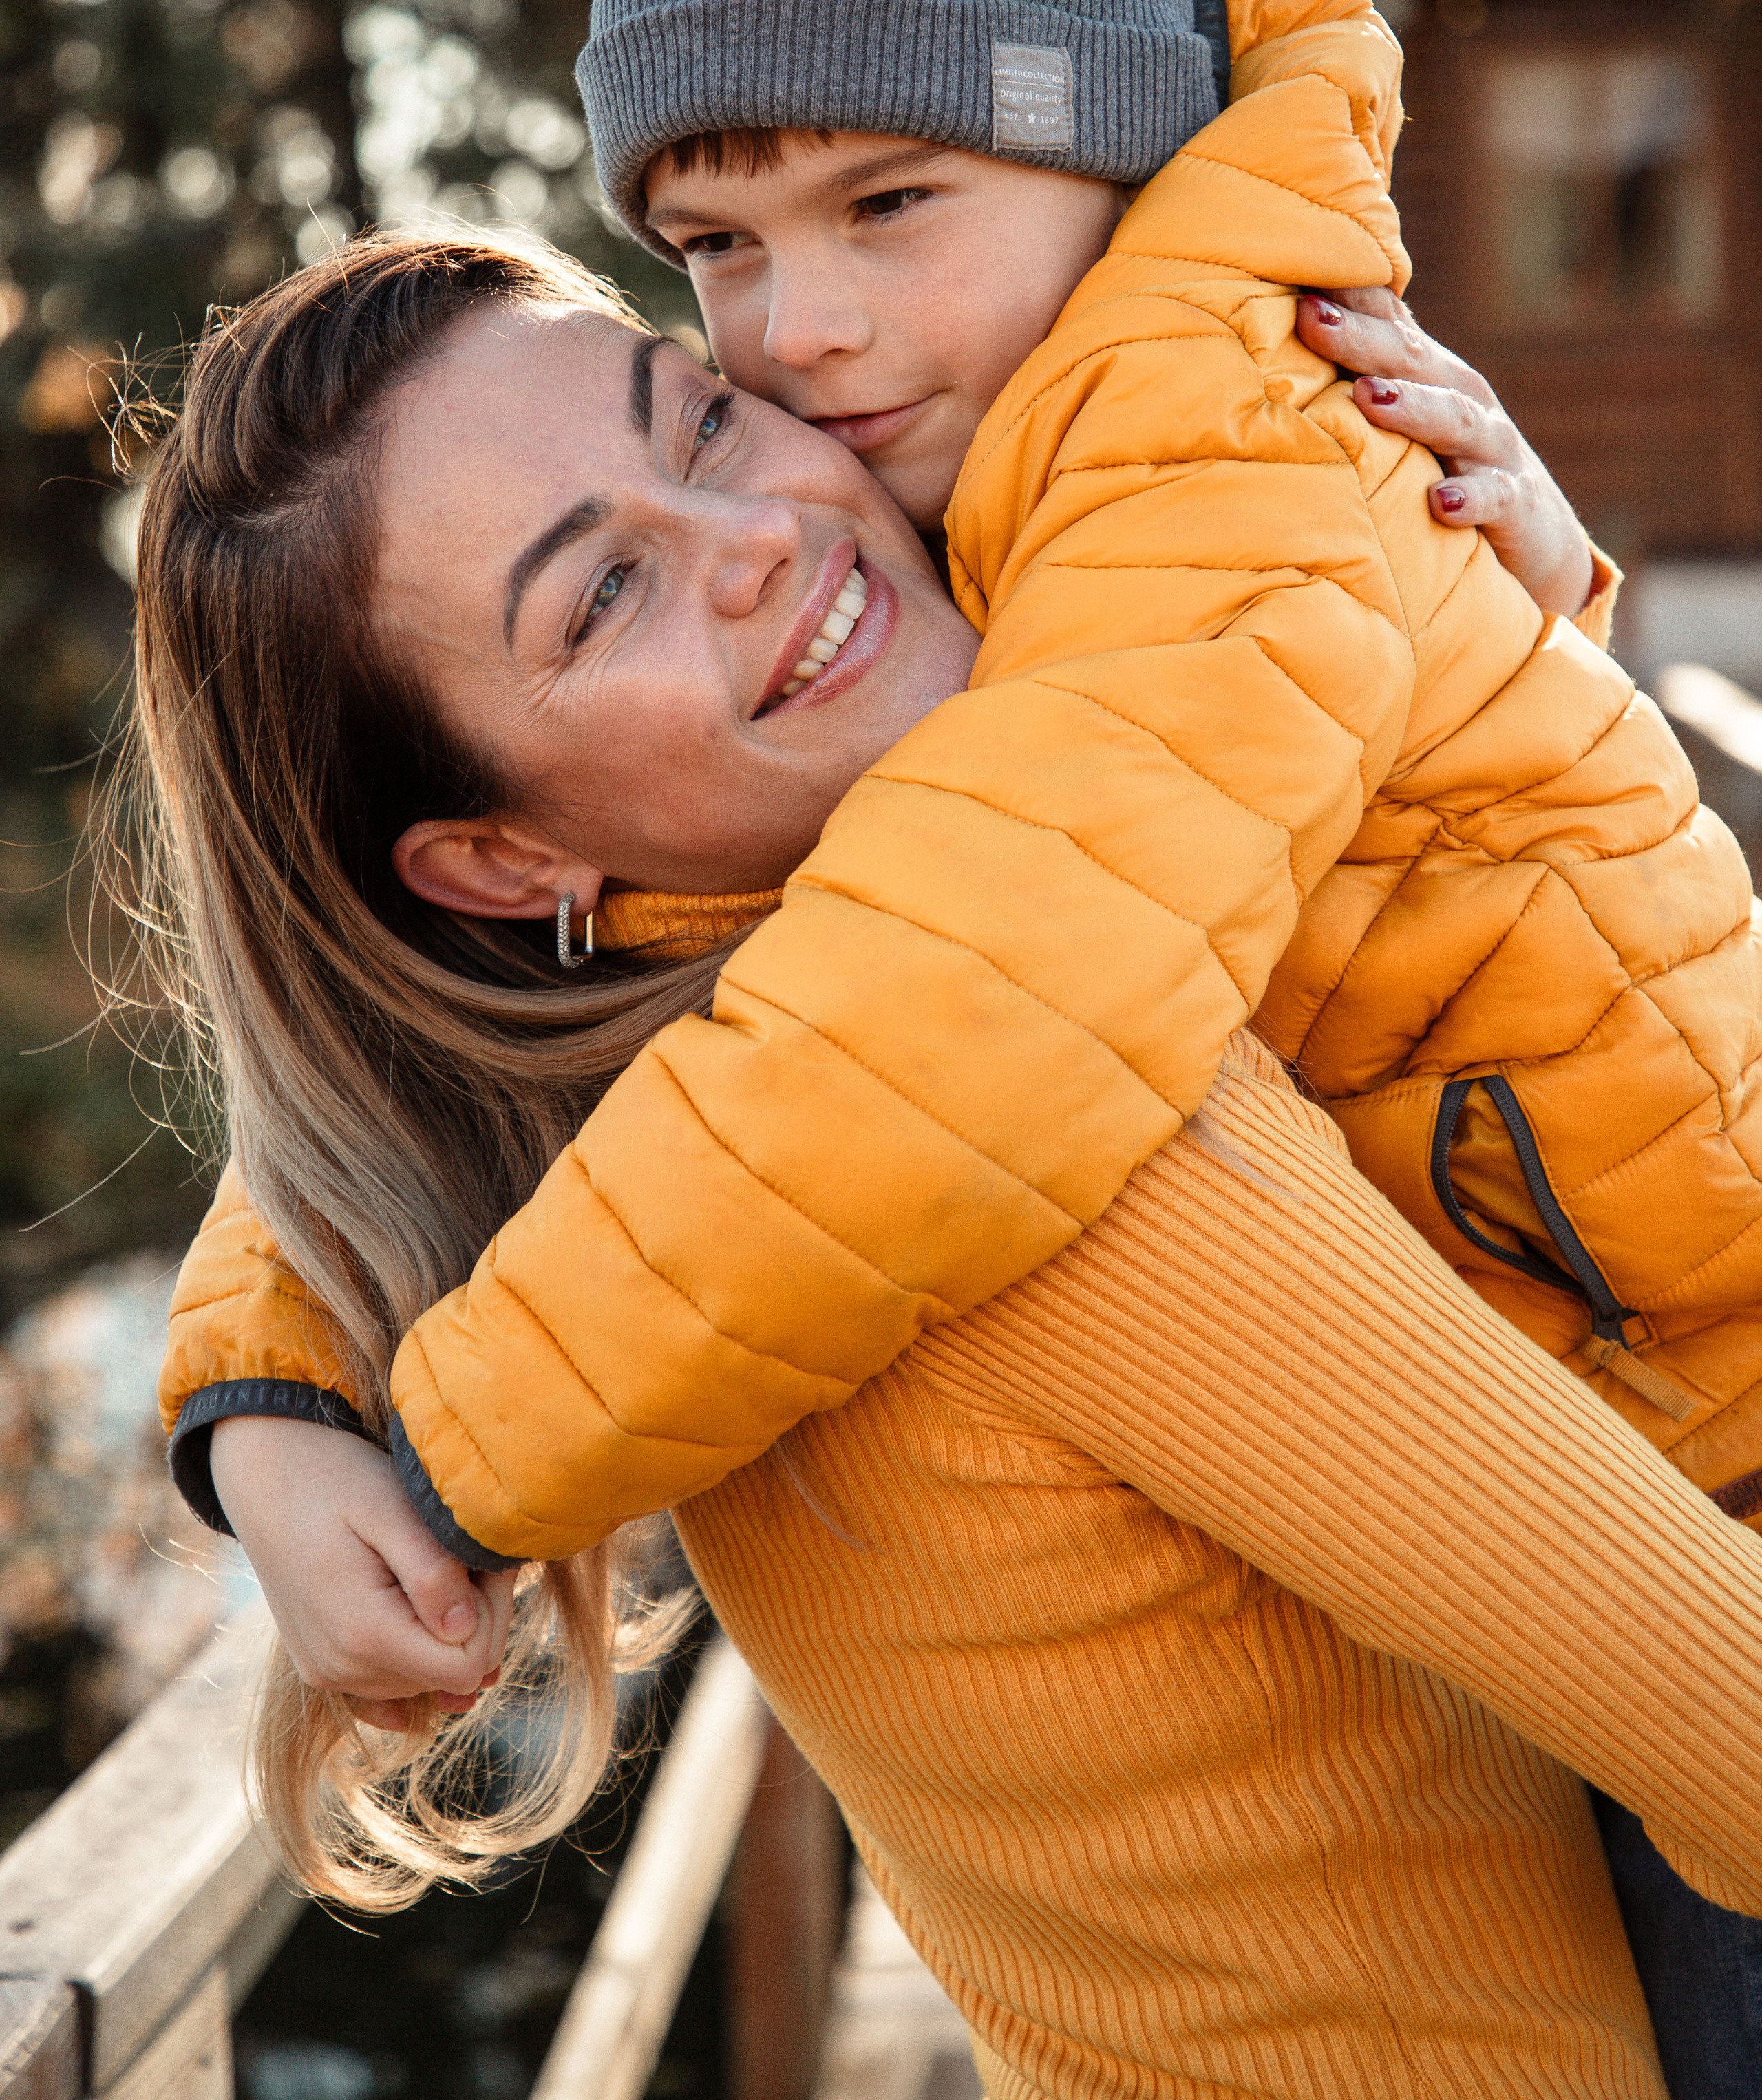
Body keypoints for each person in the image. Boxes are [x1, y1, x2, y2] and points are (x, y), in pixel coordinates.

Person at [124, 234, 1762, 2099]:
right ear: (498, 867)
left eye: (711, 425)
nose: (752, 537)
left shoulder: (682, 1133)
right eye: (600, 598)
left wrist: (1493, 647)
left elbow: (361, 1069)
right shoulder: (1048, 1146)